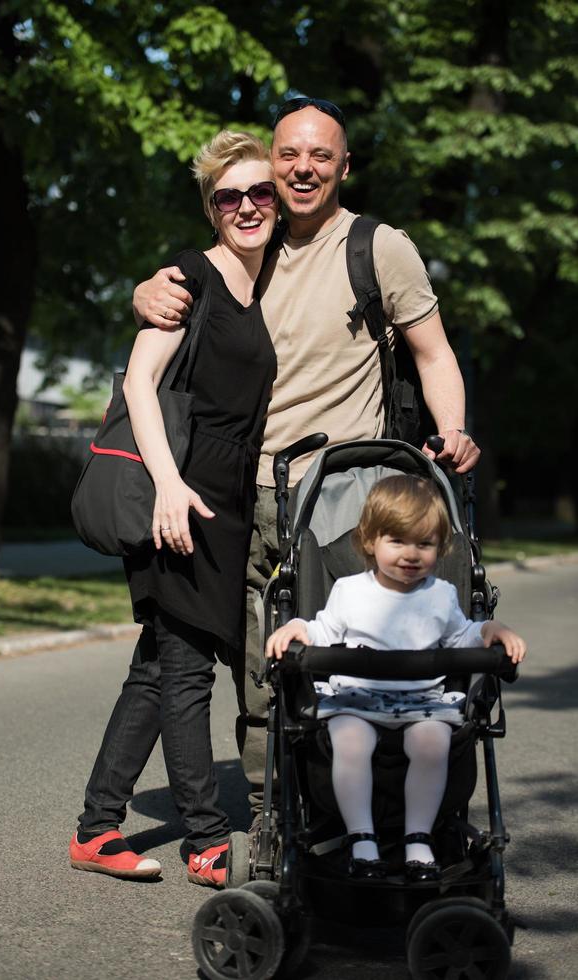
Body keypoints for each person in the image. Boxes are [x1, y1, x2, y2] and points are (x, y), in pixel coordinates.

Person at [132, 95, 482, 812]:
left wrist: (451, 434)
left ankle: (374, 812)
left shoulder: (378, 247)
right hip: (246, 495)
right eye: (288, 152)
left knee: (354, 667)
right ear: (271, 159)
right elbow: (183, 307)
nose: (302, 167)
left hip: (347, 494)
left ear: (343, 167)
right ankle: (273, 820)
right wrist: (142, 293)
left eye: (321, 155)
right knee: (263, 672)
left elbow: (434, 352)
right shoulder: (246, 246)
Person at [69, 131, 278, 887]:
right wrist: (166, 483)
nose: (247, 206)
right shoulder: (192, 275)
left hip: (225, 494)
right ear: (211, 208)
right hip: (181, 488)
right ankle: (204, 837)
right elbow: (138, 381)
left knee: (159, 665)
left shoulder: (274, 278)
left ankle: (97, 829)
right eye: (230, 196)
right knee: (185, 668)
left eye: (260, 192)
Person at [266, 475, 526, 880]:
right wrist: (297, 628)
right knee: (350, 740)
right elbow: (324, 630)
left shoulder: (439, 595)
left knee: (433, 741)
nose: (411, 555)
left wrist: (489, 631)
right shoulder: (351, 591)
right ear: (371, 541)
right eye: (397, 542)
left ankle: (418, 837)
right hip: (358, 697)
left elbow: (460, 636)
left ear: (440, 548)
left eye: (424, 544)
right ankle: (361, 836)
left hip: (420, 700)